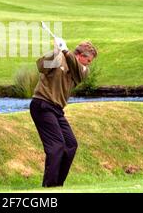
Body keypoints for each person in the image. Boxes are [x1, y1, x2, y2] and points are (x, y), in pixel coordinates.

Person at [30, 39, 98, 187]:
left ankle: (58, 185)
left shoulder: (82, 70)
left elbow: (78, 71)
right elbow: (40, 66)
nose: (89, 64)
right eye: (88, 60)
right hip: (42, 105)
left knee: (71, 144)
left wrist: (66, 51)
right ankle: (50, 186)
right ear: (79, 55)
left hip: (56, 110)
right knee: (56, 145)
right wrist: (55, 51)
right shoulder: (58, 58)